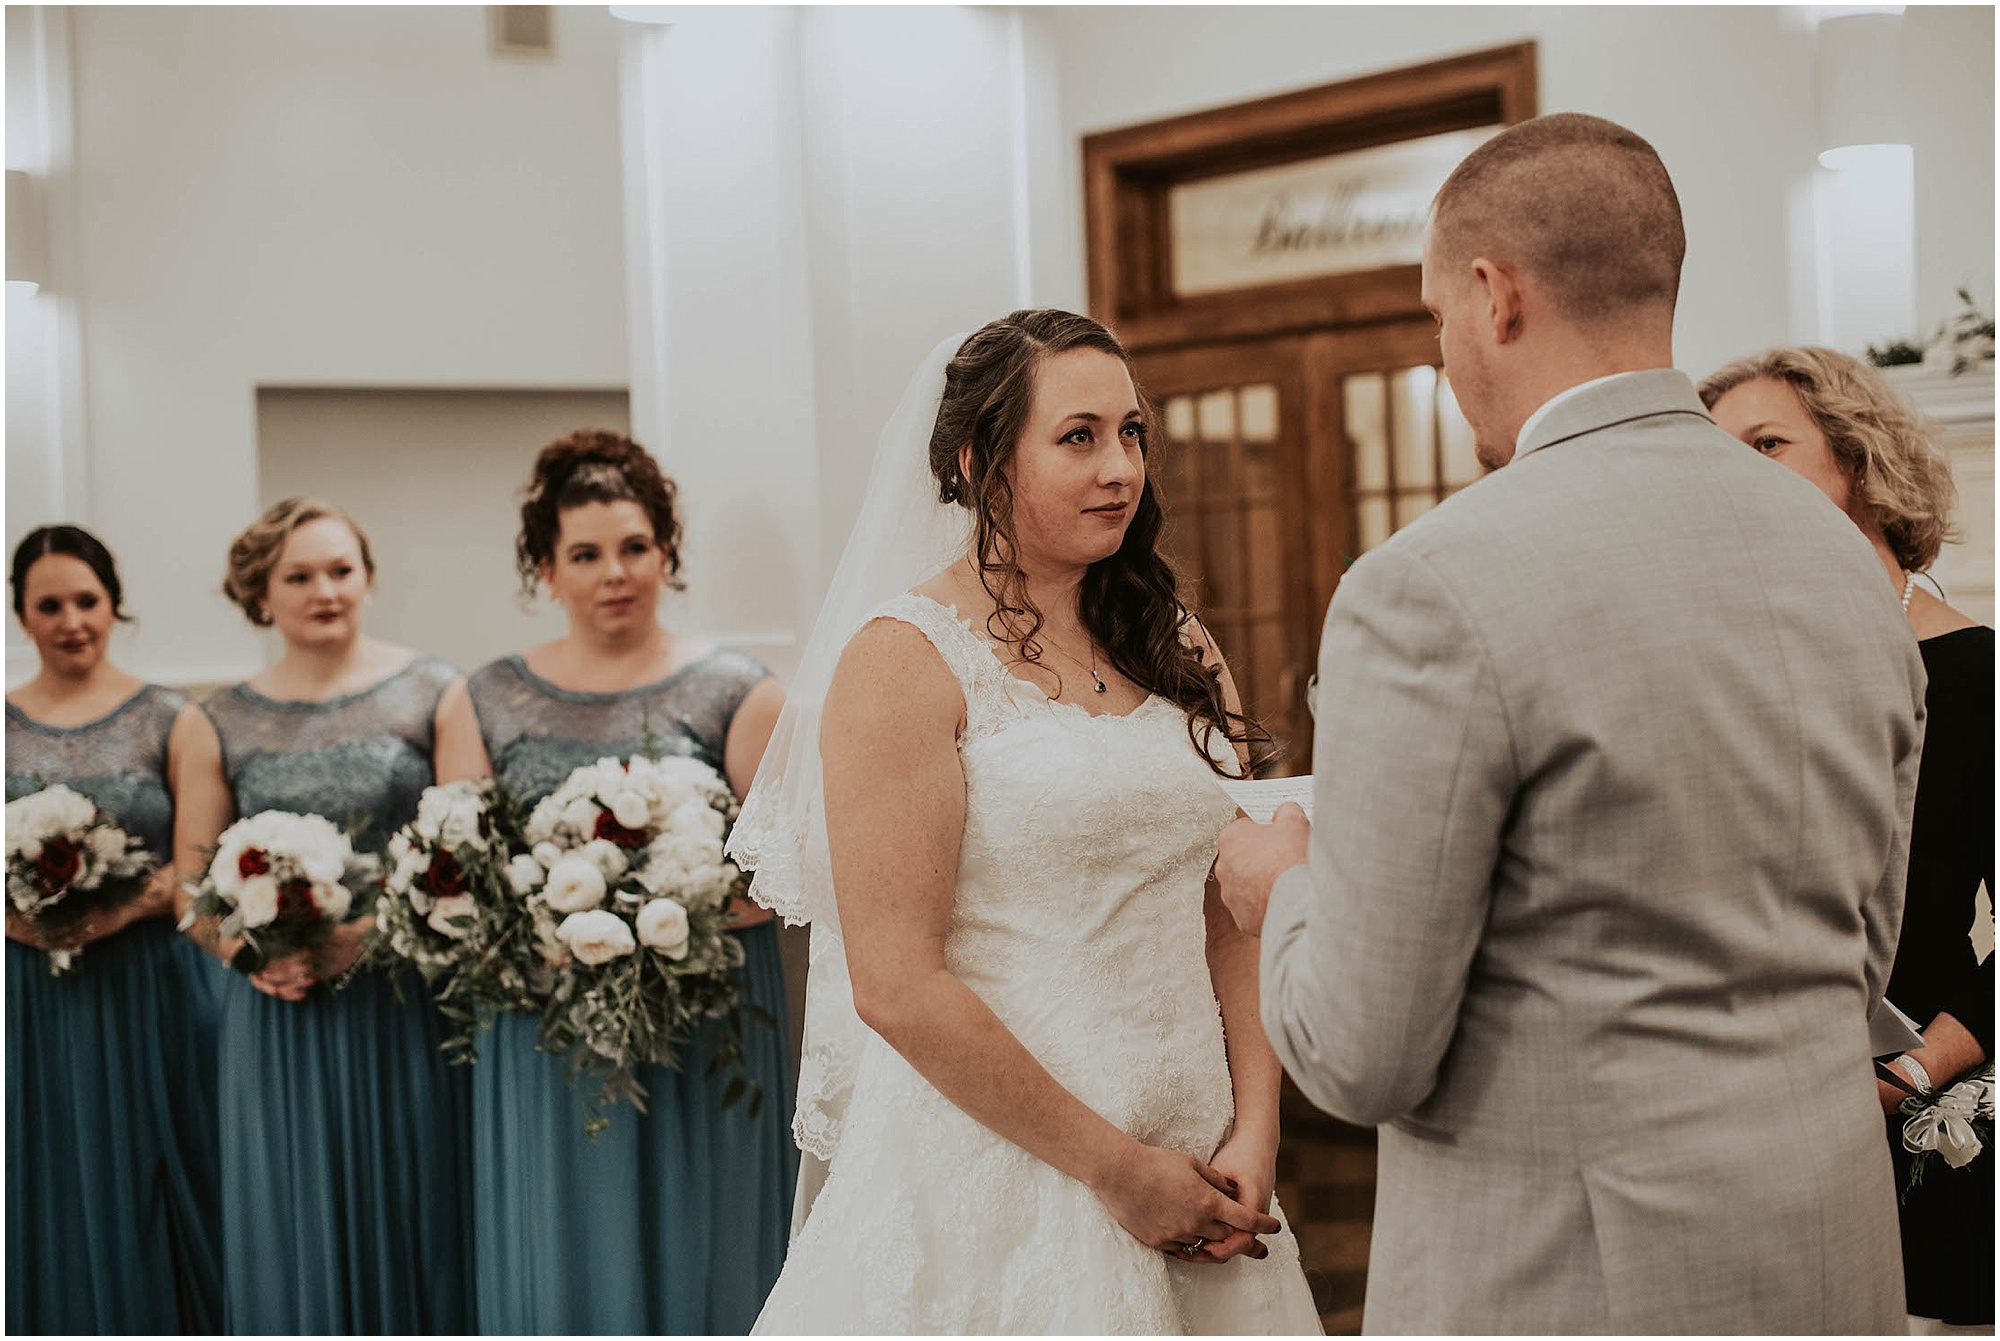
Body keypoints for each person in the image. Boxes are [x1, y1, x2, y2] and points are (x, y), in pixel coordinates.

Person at [1214, 113, 1923, 1332]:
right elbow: (1860, 948)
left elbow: (1361, 1052)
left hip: (1574, 1279)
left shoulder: (1428, 583)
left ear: (1494, 297)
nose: (1442, 355)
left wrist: (1283, 884)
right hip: (1830, 1247)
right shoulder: (1841, 560)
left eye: (1436, 316)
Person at [732, 311, 1321, 1333]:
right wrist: (1113, 1169)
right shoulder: (901, 660)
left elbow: (1231, 905)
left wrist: (1255, 1129)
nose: (1119, 468)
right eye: (1078, 436)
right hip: (1006, 1158)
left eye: (1131, 433)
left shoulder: (1172, 642)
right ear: (976, 461)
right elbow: (896, 986)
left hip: (1196, 1145)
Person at [434, 430, 796, 1334]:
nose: (614, 572)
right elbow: (457, 872)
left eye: (636, 546)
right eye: (585, 554)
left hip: (704, 1020)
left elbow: (790, 869)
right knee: (564, 1249)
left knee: (706, 1235)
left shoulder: (738, 691)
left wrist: (679, 910)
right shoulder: (483, 698)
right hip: (541, 1019)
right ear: (546, 569)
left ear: (666, 552)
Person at [1703, 346, 1994, 1334]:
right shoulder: (1730, 679)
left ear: (1857, 460)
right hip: (1735, 1133)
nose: (1732, 472)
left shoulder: (1973, 678)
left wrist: (1905, 1076)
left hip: (1913, 1125)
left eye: (1766, 443)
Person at [196, 498, 474, 1333]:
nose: (326, 590)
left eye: (342, 570)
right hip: (277, 1006)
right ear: (261, 593)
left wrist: (370, 933)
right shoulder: (219, 717)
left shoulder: (434, 690)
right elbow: (188, 877)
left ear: (368, 578)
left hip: (404, 993)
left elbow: (465, 846)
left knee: (415, 1199)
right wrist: (251, 958)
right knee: (288, 1207)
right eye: (301, 575)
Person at [4, 525, 226, 1333]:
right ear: (21, 614)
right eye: (49, 604)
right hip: (26, 991)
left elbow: (195, 869)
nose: (71, 620)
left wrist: (116, 909)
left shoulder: (172, 718)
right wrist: (17, 917)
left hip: (146, 981)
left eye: (86, 600)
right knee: (45, 1171)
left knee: (157, 1173)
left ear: (114, 603)